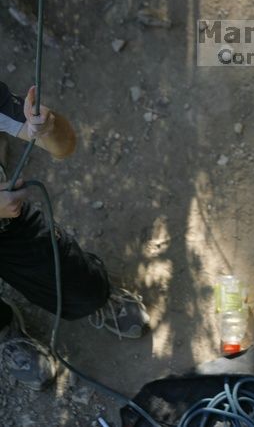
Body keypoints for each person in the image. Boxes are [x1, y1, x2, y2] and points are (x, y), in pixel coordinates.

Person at [0, 81, 150, 390]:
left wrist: (45, 128)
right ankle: (4, 330)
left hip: (6, 224)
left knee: (83, 286)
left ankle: (98, 296)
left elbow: (64, 146)